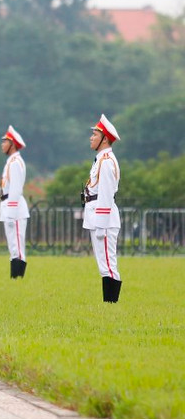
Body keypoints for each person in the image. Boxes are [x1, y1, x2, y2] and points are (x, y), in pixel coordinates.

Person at [83, 115, 123, 302]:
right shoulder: (100, 159)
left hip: (104, 220)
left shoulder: (106, 161)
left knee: (108, 262)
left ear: (104, 138)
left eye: (95, 134)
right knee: (103, 263)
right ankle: (109, 302)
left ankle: (111, 303)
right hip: (97, 217)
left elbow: (106, 194)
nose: (91, 138)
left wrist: (101, 224)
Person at [0, 125, 29, 279]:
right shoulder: (11, 161)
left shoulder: (15, 162)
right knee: (13, 244)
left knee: (17, 244)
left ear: (13, 144)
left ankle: (17, 278)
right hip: (9, 205)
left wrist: (10, 212)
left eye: (5, 141)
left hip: (15, 208)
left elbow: (16, 190)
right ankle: (15, 278)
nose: (2, 144)